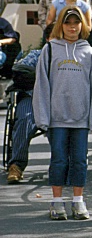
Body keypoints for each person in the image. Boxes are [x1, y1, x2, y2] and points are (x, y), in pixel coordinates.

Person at [33, 6, 92, 220]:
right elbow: (42, 85)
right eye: (67, 23)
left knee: (80, 160)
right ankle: (56, 202)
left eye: (76, 23)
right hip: (57, 118)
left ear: (82, 25)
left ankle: (78, 201)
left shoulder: (89, 52)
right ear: (60, 25)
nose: (72, 27)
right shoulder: (50, 50)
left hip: (80, 119)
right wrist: (43, 117)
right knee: (59, 160)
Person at [5, 23, 55, 185]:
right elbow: (20, 69)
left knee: (63, 124)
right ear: (47, 39)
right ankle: (16, 165)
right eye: (54, 36)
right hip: (32, 98)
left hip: (58, 102)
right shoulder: (37, 55)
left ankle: (62, 164)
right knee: (25, 119)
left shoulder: (70, 58)